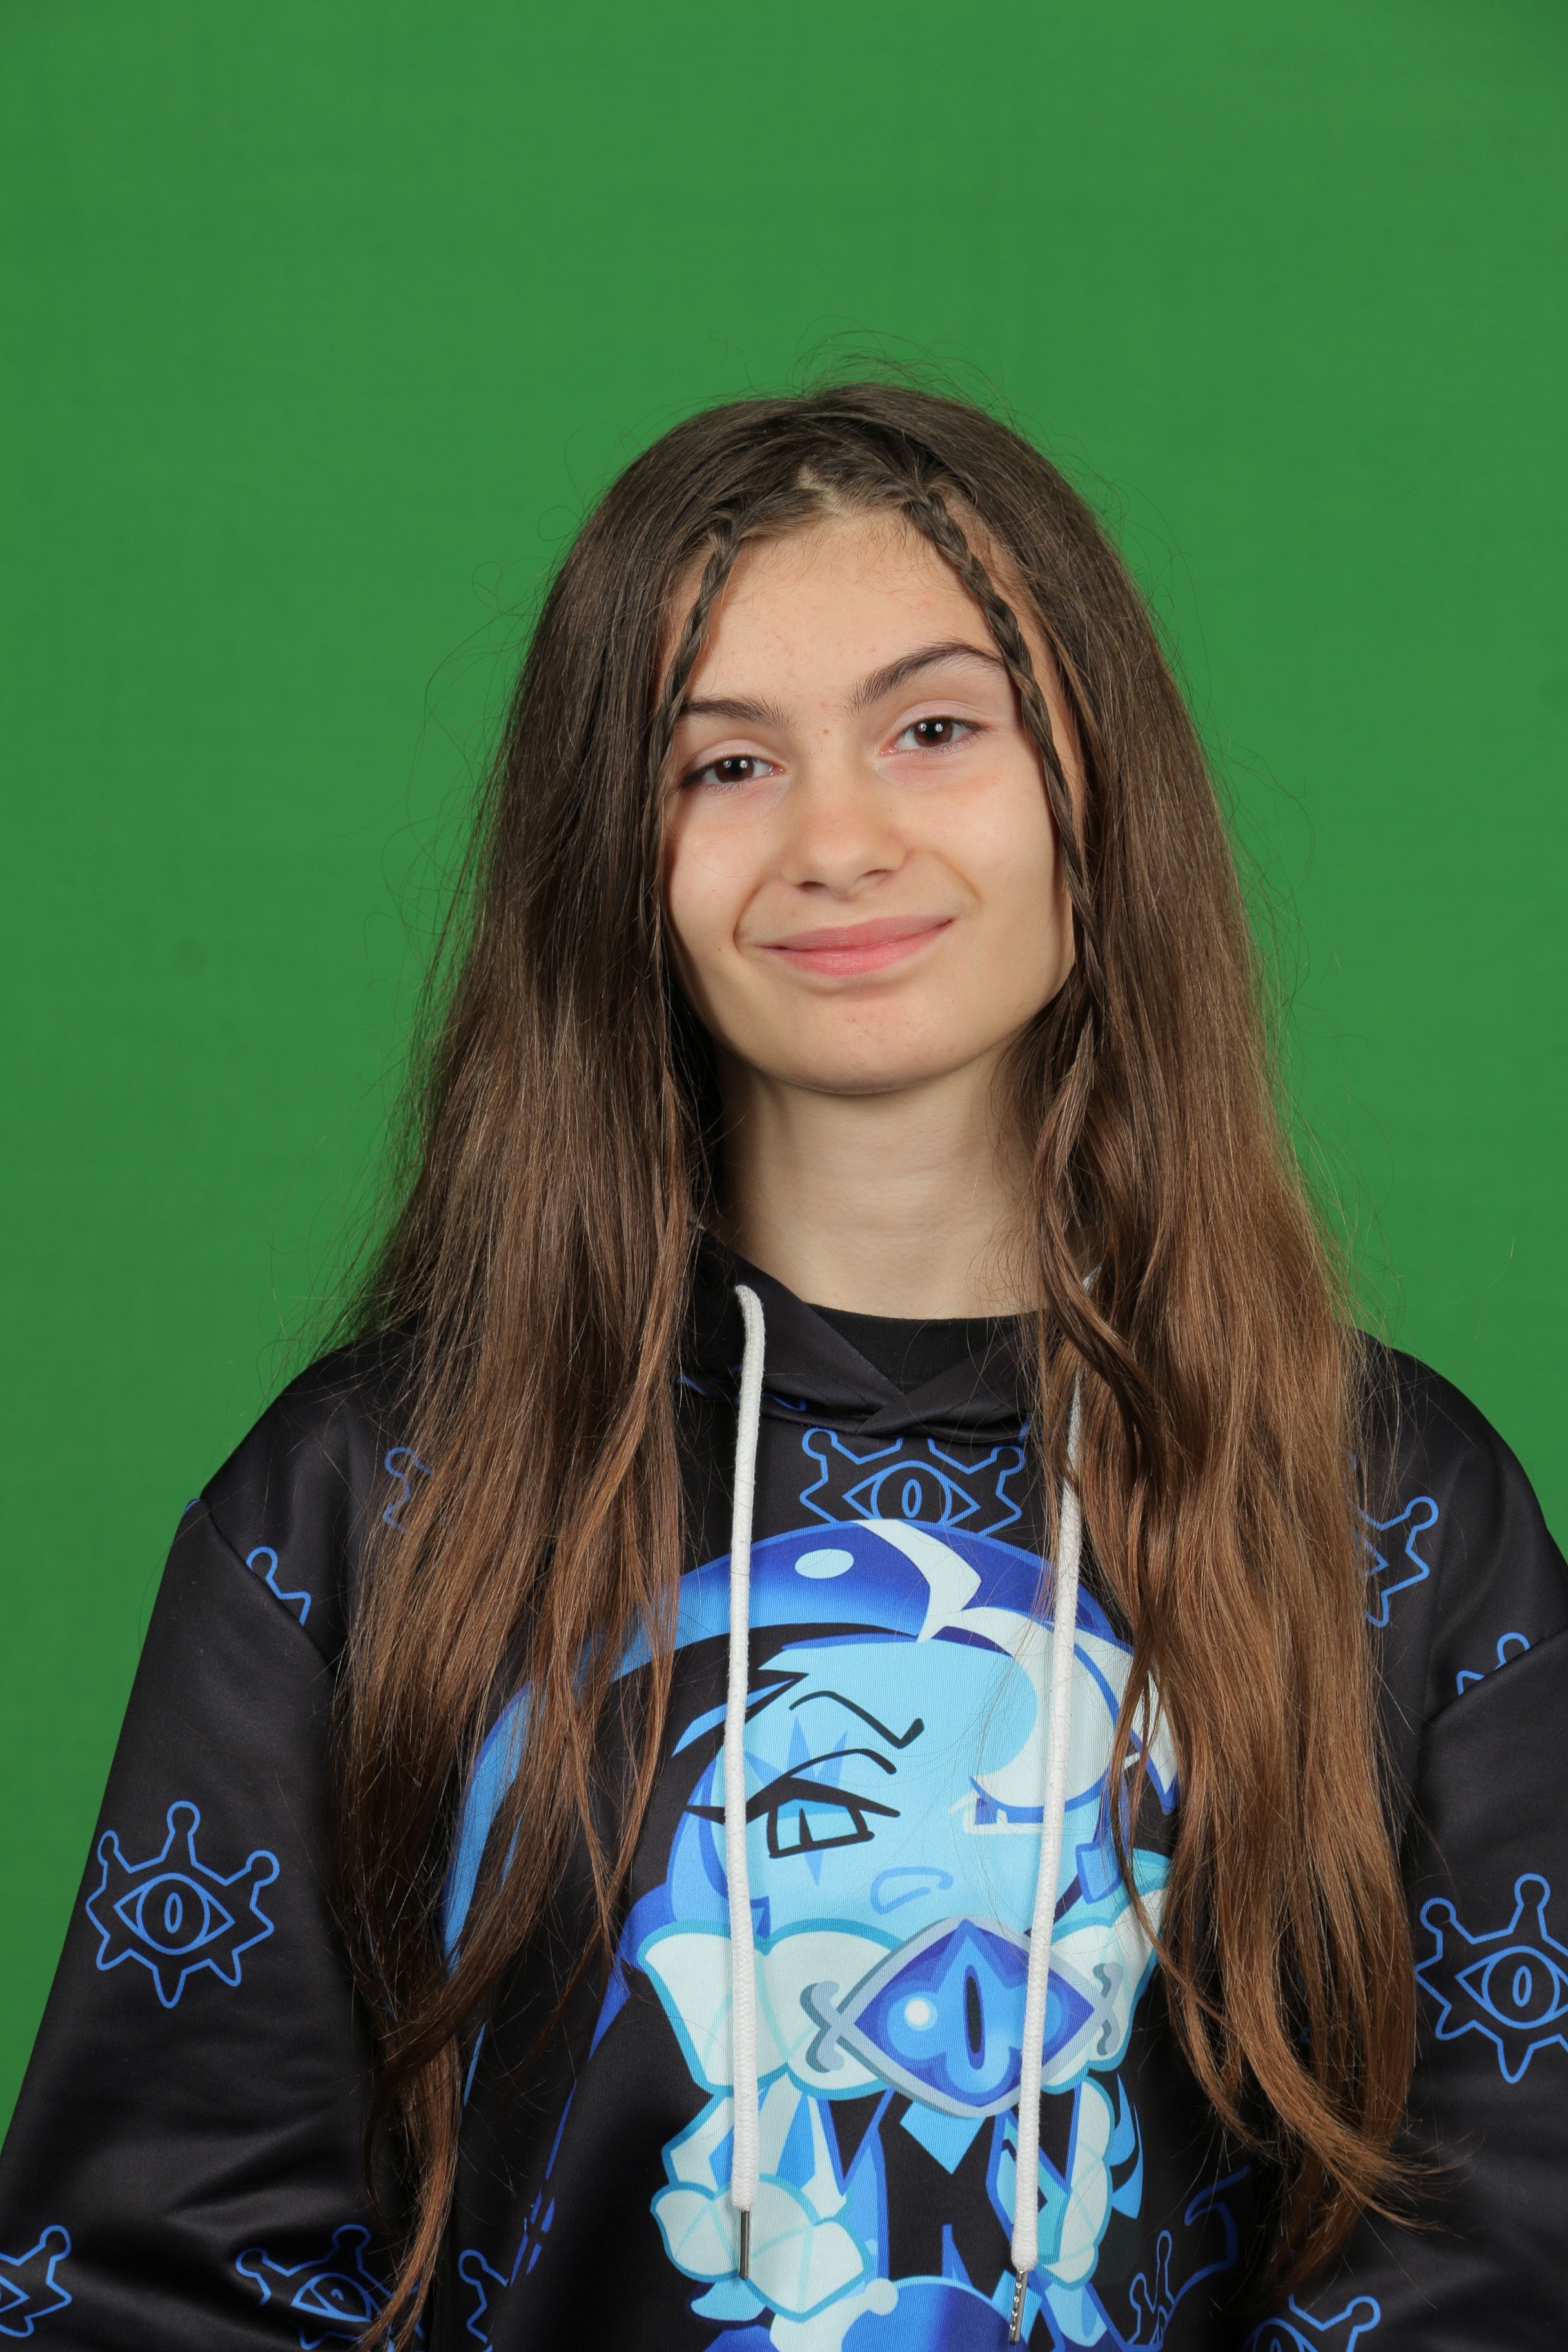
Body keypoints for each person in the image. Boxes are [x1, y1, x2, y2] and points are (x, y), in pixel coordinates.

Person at [1, 384, 1562, 2352]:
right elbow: (151, 2276)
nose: (839, 840)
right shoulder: (367, 1500)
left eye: (936, 729)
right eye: (726, 764)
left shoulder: (1392, 1506)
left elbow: (1498, 2254)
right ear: (614, 860)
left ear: (1097, 792)